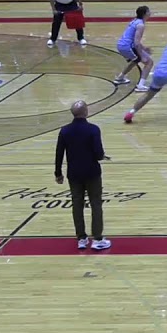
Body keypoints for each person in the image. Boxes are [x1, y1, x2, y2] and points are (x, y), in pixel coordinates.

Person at [54, 100, 110, 251]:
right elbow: (98, 154)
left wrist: (58, 173)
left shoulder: (65, 130)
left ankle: (81, 238)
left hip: (74, 174)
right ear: (86, 112)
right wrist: (102, 155)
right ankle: (97, 238)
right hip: (92, 172)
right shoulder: (93, 129)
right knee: (96, 204)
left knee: (77, 205)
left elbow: (59, 153)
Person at [114, 5, 153, 91]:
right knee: (149, 62)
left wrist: (144, 48)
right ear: (145, 13)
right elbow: (136, 43)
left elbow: (134, 40)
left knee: (136, 60)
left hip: (121, 45)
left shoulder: (135, 21)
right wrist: (142, 55)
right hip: (127, 47)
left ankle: (120, 77)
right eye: (149, 11)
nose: (150, 13)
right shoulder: (140, 25)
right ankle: (140, 86)